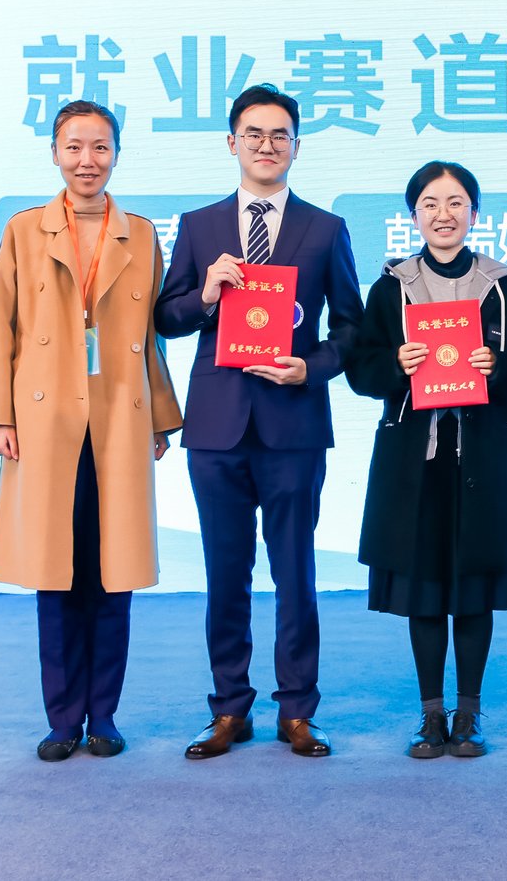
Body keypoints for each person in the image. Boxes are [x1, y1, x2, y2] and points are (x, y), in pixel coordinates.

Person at [0, 99, 182, 761]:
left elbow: (151, 339)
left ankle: (104, 716)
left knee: (114, 572)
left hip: (120, 415)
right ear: (55, 153)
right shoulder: (24, 230)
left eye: (100, 147)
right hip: (43, 419)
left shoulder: (140, 234)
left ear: (116, 153)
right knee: (54, 573)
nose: (88, 160)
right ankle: (63, 719)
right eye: (75, 147)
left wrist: (162, 416)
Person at [155, 83, 363, 759]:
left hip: (293, 424)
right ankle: (228, 708)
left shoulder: (325, 229)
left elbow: (352, 327)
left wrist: (312, 367)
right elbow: (165, 317)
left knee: (295, 570)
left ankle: (297, 709)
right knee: (225, 572)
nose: (267, 145)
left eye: (280, 135)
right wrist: (206, 293)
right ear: (232, 143)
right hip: (216, 425)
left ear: (296, 146)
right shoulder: (198, 226)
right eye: (254, 133)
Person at [345, 162, 507, 759]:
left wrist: (498, 367)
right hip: (416, 465)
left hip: (484, 462)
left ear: (474, 213)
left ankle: (469, 713)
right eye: (431, 204)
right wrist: (397, 364)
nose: (444, 215)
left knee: (475, 590)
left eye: (457, 202)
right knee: (425, 590)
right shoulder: (392, 286)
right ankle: (431, 714)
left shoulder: (504, 286)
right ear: (413, 215)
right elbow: (361, 369)